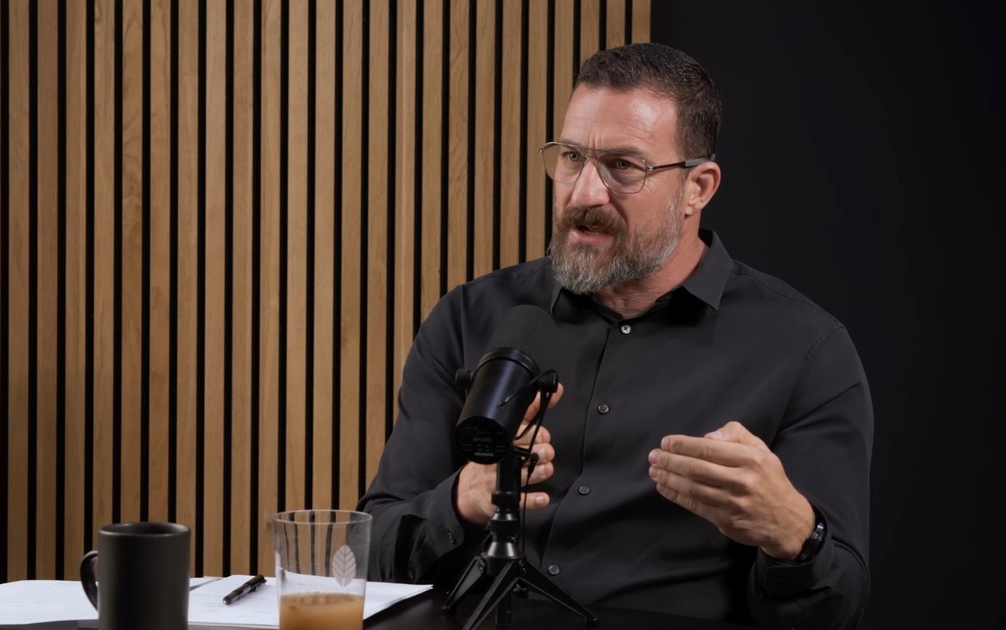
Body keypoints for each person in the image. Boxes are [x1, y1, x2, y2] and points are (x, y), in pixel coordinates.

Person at [356, 42, 873, 629]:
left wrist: (796, 536)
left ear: (698, 187)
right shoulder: (470, 317)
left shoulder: (804, 351)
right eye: (572, 157)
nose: (584, 194)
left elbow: (836, 611)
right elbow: (366, 561)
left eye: (623, 166)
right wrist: (459, 501)